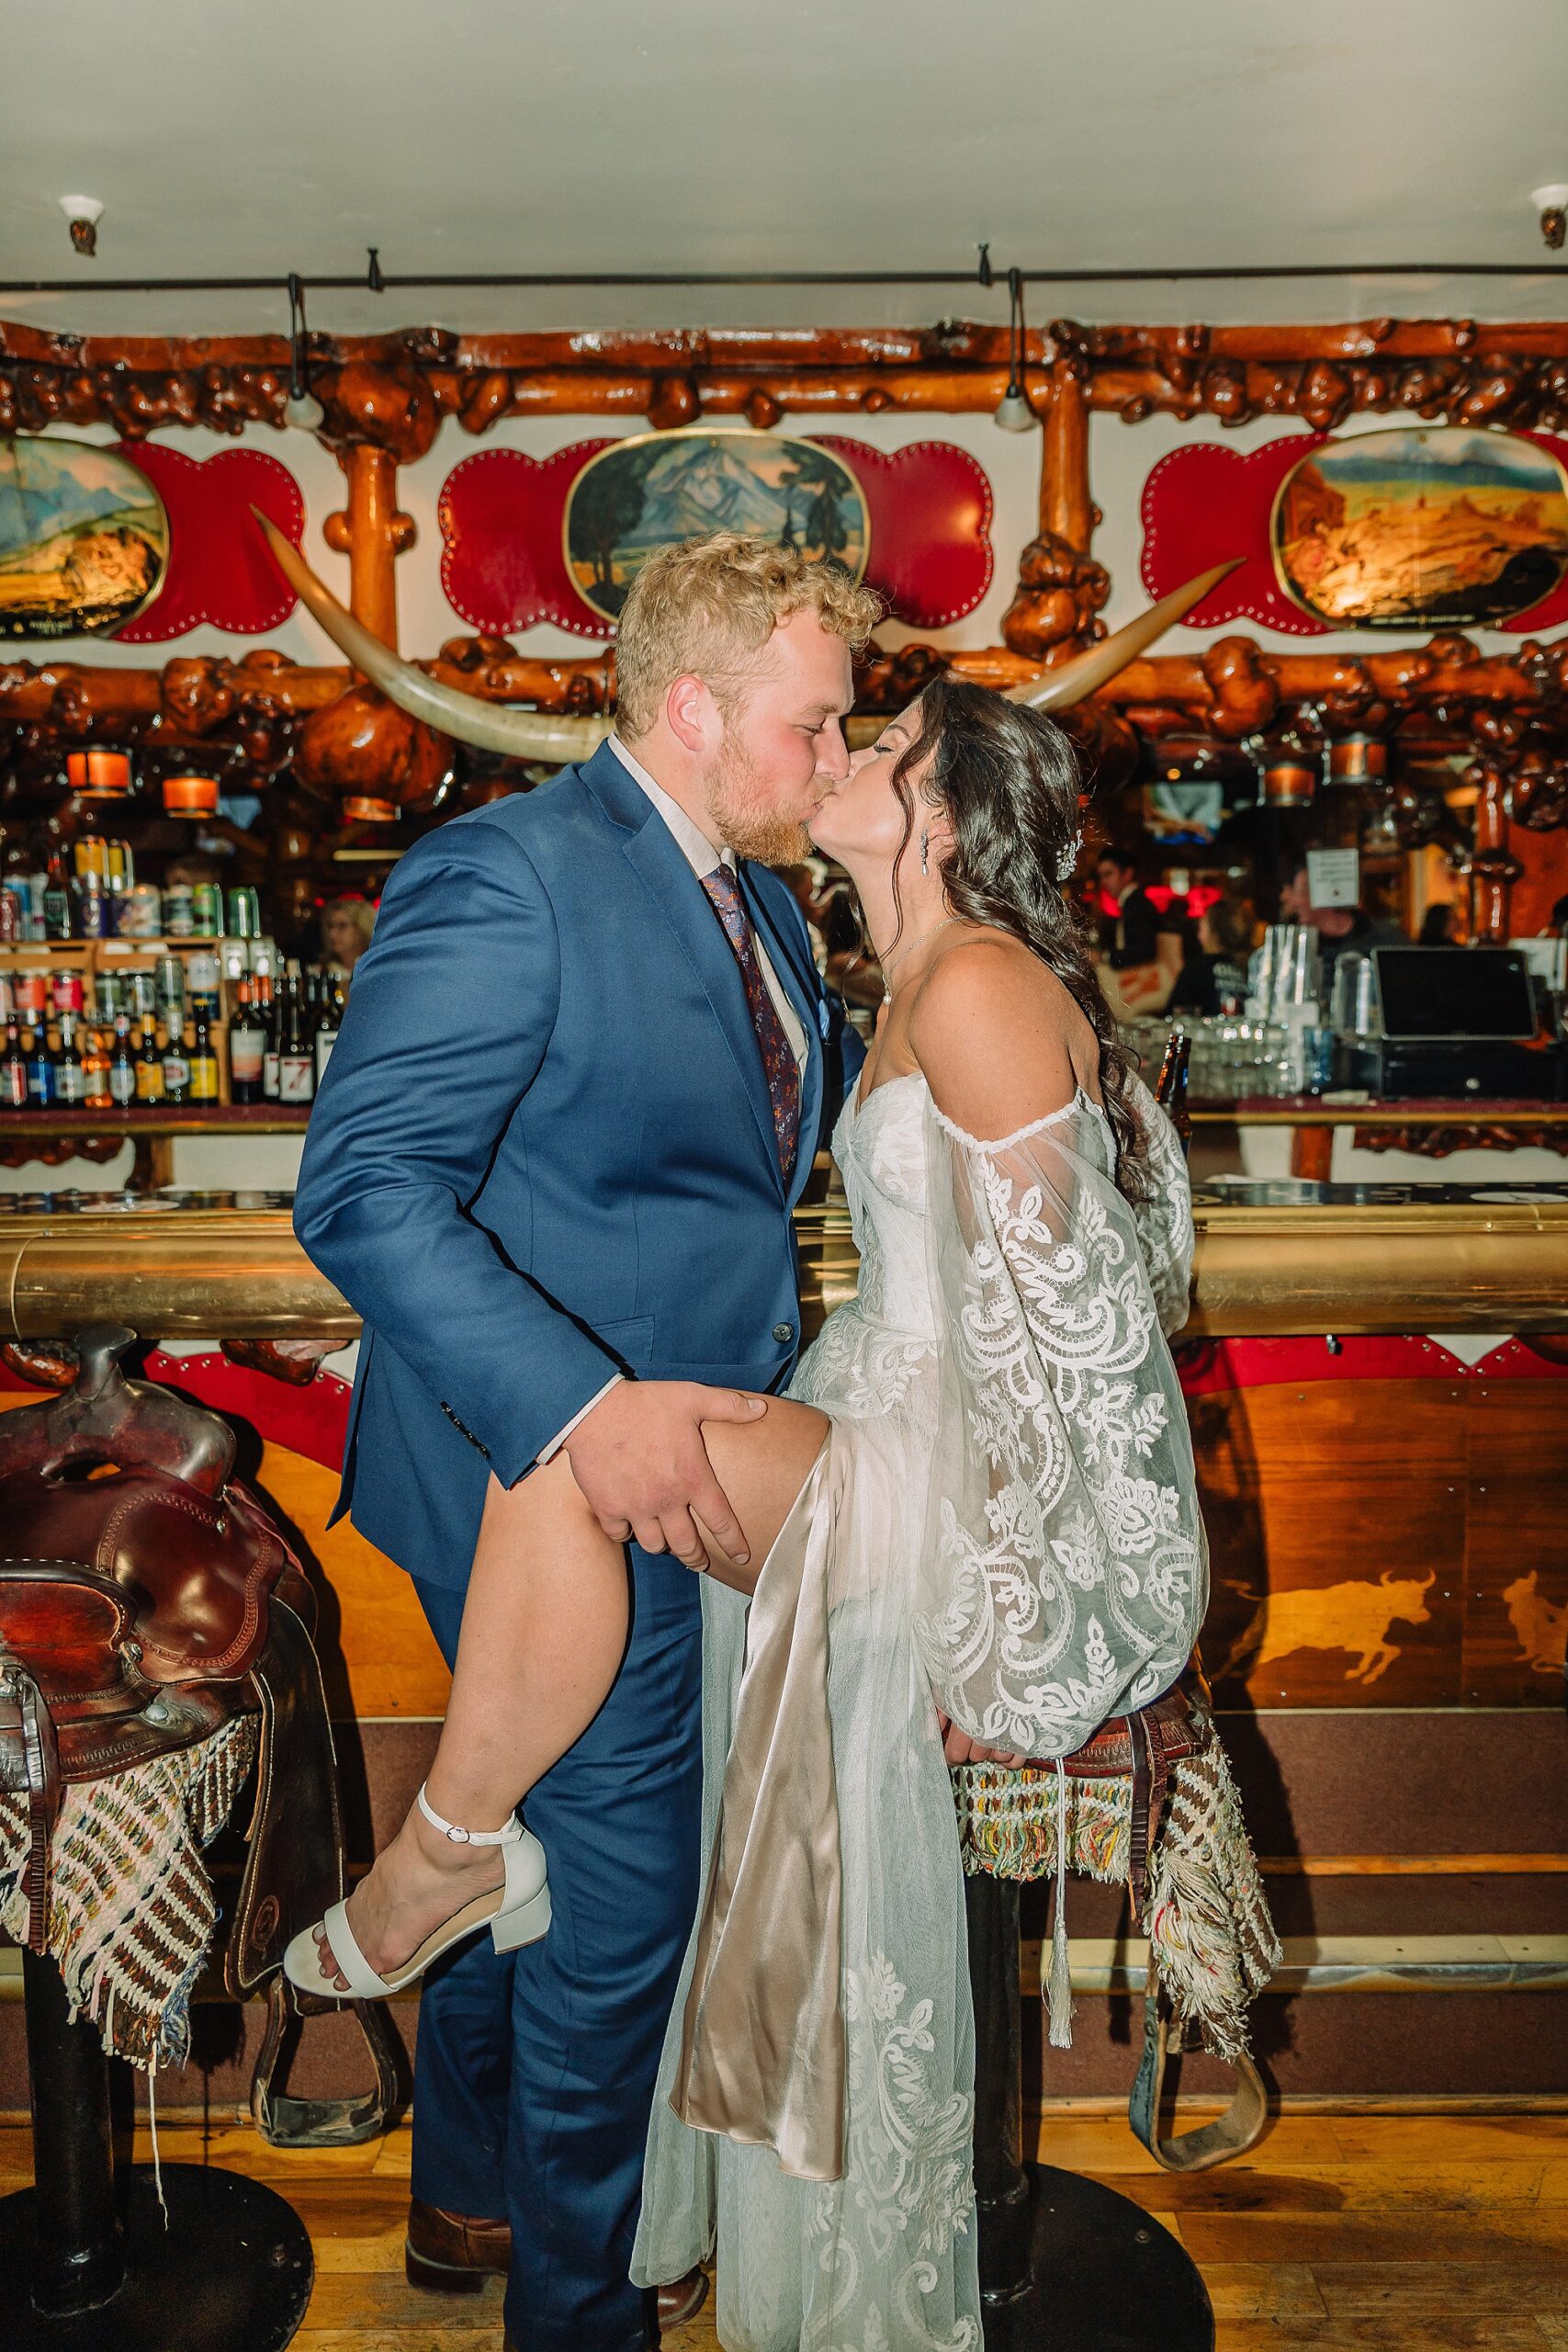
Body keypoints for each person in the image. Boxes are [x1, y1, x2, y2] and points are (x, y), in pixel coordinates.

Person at [289, 675, 1208, 2348]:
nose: (843, 753)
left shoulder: (973, 982)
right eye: (833, 720)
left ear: (940, 811)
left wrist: (1012, 1582)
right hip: (871, 1417)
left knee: (583, 1452)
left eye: (879, 740)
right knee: (583, 1452)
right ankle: (459, 1870)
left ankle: (442, 1854)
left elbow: (1076, 1335)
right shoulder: (867, 958)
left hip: (955, 1477)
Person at [287, 532, 876, 2352]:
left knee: (536, 1853)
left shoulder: (763, 898)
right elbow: (364, 1190)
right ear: (692, 707)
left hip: (684, 1473)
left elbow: (739, 1160)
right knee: (623, 1919)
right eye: (811, 725)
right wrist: (579, 1408)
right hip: (537, 1475)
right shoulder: (510, 874)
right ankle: (578, 2316)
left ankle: (468, 2195)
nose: (834, 758)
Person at [1279, 857, 1404, 976]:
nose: (1287, 899)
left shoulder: (1388, 943)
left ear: (1330, 895)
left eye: (1300, 892)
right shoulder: (1292, 948)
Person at [1169, 894, 1257, 1015]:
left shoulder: (1196, 970)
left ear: (1212, 932)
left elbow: (1176, 1014)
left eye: (1202, 925)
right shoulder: (1253, 968)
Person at [319, 892, 376, 978]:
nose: (332, 934)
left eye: (342, 925)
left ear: (362, 927)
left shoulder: (376, 970)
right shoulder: (321, 972)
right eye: (330, 926)